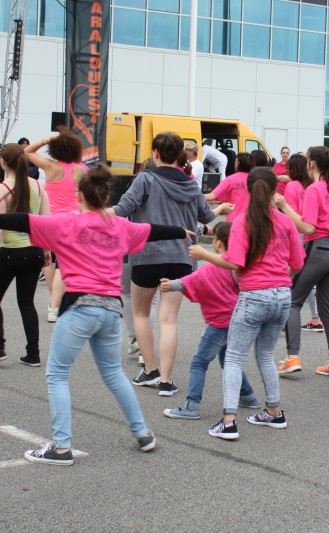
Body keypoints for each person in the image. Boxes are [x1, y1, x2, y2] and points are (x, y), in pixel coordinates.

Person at [7, 165, 191, 465]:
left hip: (80, 307)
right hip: (110, 310)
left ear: (79, 196)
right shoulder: (120, 225)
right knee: (113, 373)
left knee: (57, 374)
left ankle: (61, 447)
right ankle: (142, 433)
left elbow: (21, 220)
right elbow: (153, 230)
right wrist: (180, 231)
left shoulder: (65, 223)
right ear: (106, 198)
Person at [189, 168, 305, 440]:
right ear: (275, 191)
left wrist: (204, 254)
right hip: (282, 296)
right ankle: (274, 411)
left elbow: (234, 261)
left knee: (233, 357)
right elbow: (298, 263)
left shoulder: (243, 222)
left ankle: (229, 421)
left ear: (249, 190)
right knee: (265, 355)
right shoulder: (285, 221)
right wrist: (278, 280)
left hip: (254, 295)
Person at [111, 132, 219, 396]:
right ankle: (167, 382)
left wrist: (94, 214)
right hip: (182, 258)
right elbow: (206, 216)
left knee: (140, 313)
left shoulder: (146, 178)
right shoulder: (191, 184)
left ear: (155, 153)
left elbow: (123, 209)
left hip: (147, 255)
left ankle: (150, 370)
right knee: (169, 320)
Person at [161, 221, 261, 420]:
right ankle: (248, 396)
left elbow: (186, 282)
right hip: (238, 321)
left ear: (217, 243)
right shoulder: (239, 267)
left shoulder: (210, 269)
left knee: (199, 361)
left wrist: (168, 285)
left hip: (219, 324)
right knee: (228, 360)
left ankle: (191, 405)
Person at [275, 146, 329, 377]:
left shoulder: (314, 189)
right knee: (328, 309)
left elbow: (308, 227)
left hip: (318, 248)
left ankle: (292, 357)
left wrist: (284, 206)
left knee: (293, 300)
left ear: (311, 164)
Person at [24, 127, 87, 323]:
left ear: (55, 150)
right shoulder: (82, 170)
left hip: (50, 221)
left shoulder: (50, 166)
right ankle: (55, 303)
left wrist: (47, 139)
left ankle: (54, 302)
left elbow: (27, 151)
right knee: (64, 263)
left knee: (49, 261)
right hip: (73, 222)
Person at [0, 144, 49, 367]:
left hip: (9, 251)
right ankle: (33, 353)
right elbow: (46, 222)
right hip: (34, 251)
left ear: (3, 162)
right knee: (27, 303)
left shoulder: (3, 188)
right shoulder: (38, 186)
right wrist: (46, 251)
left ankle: (0, 347)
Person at [283, 153, 324, 333]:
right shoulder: (309, 185)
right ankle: (315, 316)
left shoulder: (292, 185)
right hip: (308, 233)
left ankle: (284, 318)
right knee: (305, 280)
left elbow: (289, 213)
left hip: (295, 232)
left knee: (290, 278)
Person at [205, 152, 254, 221]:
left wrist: (194, 195)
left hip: (234, 221)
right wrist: (218, 201)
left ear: (238, 163)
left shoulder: (231, 179)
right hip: (252, 221)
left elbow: (211, 196)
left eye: (236, 161)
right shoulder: (255, 179)